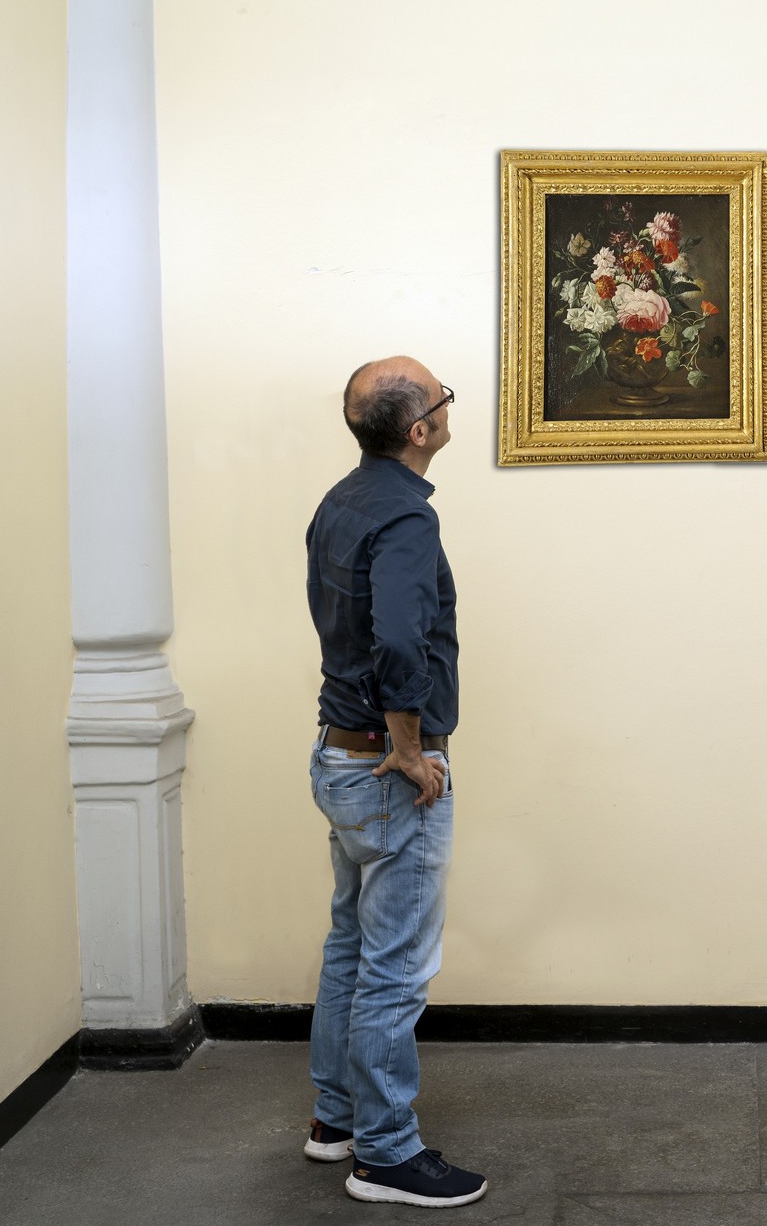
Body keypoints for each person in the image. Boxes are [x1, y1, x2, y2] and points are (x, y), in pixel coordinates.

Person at [301, 356, 485, 1208]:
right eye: (443, 397)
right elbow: (401, 638)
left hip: (338, 757)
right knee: (395, 968)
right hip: (384, 768)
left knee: (350, 945)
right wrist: (410, 746)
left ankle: (334, 1119)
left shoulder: (341, 501)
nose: (448, 405)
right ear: (421, 429)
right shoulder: (407, 517)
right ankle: (384, 1154)